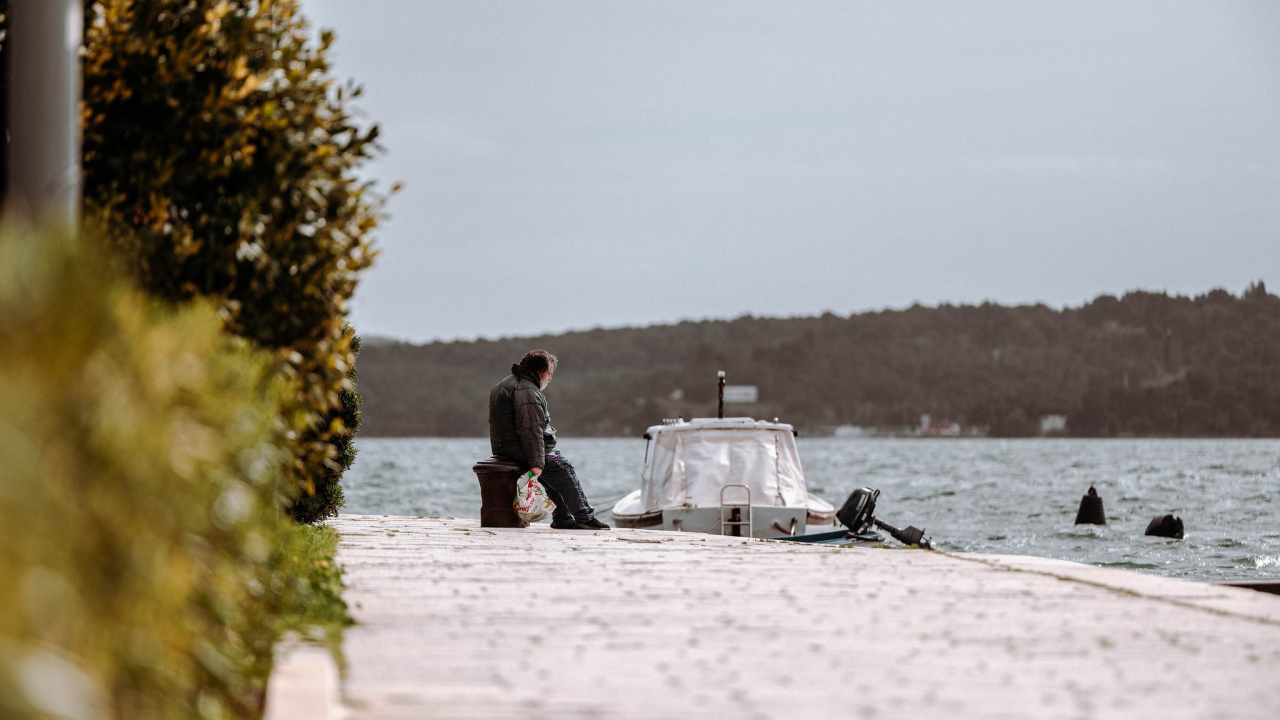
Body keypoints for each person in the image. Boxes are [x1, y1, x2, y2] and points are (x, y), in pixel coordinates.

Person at [489, 349, 609, 530]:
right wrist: (537, 462)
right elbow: (530, 429)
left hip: (506, 446)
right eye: (549, 373)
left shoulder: (509, 383)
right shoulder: (527, 391)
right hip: (520, 448)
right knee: (562, 467)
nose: (550, 378)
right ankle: (584, 516)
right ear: (540, 372)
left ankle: (562, 519)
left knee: (554, 471)